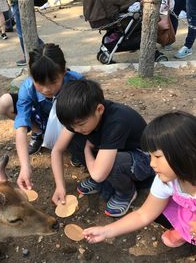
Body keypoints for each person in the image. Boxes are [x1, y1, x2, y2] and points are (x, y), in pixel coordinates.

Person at [84, 111, 196, 248]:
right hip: (188, 212)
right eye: (150, 156)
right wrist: (106, 231)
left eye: (158, 156)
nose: (151, 163)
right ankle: (183, 230)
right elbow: (143, 214)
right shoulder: (165, 181)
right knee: (158, 211)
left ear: (186, 153)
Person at [52, 79, 154, 217]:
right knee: (74, 138)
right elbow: (57, 150)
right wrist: (60, 186)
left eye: (80, 124)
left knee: (112, 164)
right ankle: (103, 171)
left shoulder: (117, 120)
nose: (76, 128)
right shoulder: (81, 116)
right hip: (115, 150)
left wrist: (87, 150)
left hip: (142, 159)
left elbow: (98, 175)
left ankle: (126, 192)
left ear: (99, 109)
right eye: (71, 126)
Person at [0, 43, 83, 190]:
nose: (46, 89)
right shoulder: (27, 87)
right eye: (40, 83)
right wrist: (25, 166)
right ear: (31, 76)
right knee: (4, 103)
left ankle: (74, 144)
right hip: (41, 118)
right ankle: (38, 133)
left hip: (68, 122)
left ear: (64, 71)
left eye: (53, 82)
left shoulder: (77, 82)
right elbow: (21, 127)